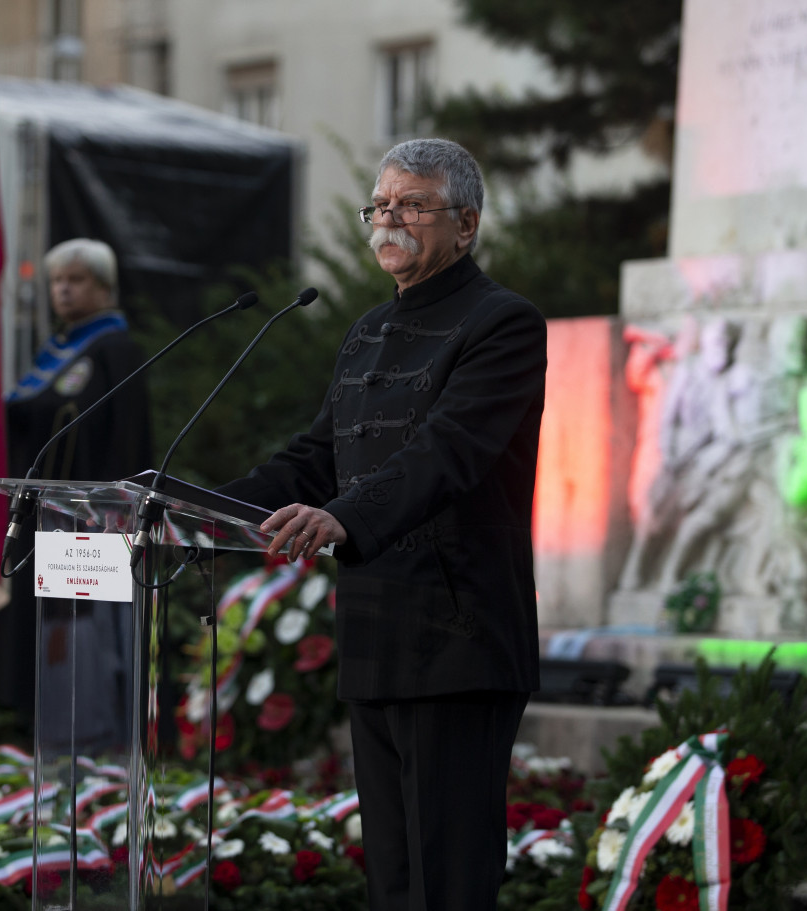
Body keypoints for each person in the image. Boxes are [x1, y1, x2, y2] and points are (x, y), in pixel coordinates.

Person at [217, 139, 546, 911]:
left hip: (458, 637)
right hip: (376, 630)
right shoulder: (366, 329)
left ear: (465, 225)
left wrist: (338, 517)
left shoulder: (504, 323)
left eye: (412, 204)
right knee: (394, 882)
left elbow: (447, 453)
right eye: (380, 204)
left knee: (447, 882)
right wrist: (189, 501)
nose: (388, 218)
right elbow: (314, 458)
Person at [0, 238, 152, 751]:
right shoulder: (56, 350)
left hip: (94, 525)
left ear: (105, 288)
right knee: (53, 629)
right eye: (57, 280)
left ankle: (98, 741)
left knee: (88, 634)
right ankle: (56, 738)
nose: (63, 289)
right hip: (49, 523)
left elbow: (127, 441)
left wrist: (115, 518)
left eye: (76, 279)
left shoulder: (114, 349)